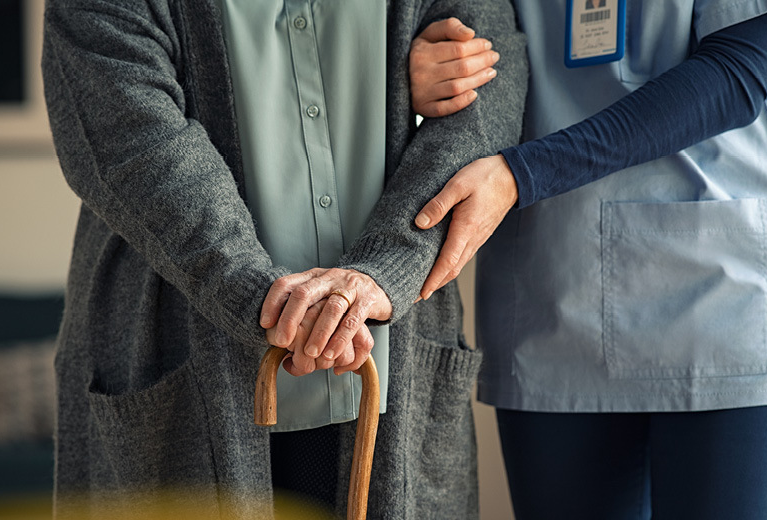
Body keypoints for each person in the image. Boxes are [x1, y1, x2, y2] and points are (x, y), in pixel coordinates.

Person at [41, 0, 526, 518]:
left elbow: (486, 97)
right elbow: (131, 137)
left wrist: (384, 271)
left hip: (390, 359)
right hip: (181, 353)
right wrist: (270, 302)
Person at [407, 1, 767, 519]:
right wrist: (423, 74)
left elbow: (735, 75)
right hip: (553, 292)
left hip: (720, 301)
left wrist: (523, 174)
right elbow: (454, 29)